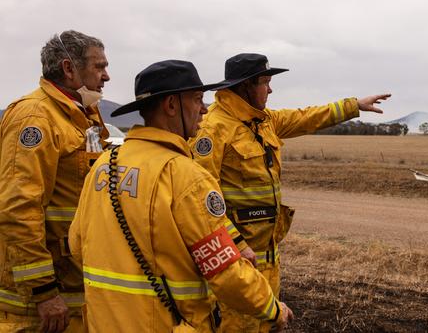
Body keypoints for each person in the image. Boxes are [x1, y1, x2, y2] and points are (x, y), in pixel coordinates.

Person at [69, 60, 293, 332]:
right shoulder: (186, 177)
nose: (204, 109)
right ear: (171, 106)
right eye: (197, 99)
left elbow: (77, 245)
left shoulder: (104, 165)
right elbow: (226, 272)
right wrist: (272, 309)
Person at [190, 53, 390, 332]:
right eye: (265, 82)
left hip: (268, 260)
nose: (270, 90)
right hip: (237, 263)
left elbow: (307, 117)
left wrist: (353, 106)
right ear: (246, 85)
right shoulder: (213, 128)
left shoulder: (264, 121)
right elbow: (201, 200)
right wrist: (236, 244)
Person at [0, 30, 110, 333]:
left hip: (73, 289)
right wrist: (42, 291)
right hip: (39, 307)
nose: (107, 76)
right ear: (68, 68)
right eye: (99, 67)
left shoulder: (81, 116)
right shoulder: (35, 117)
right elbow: (18, 208)